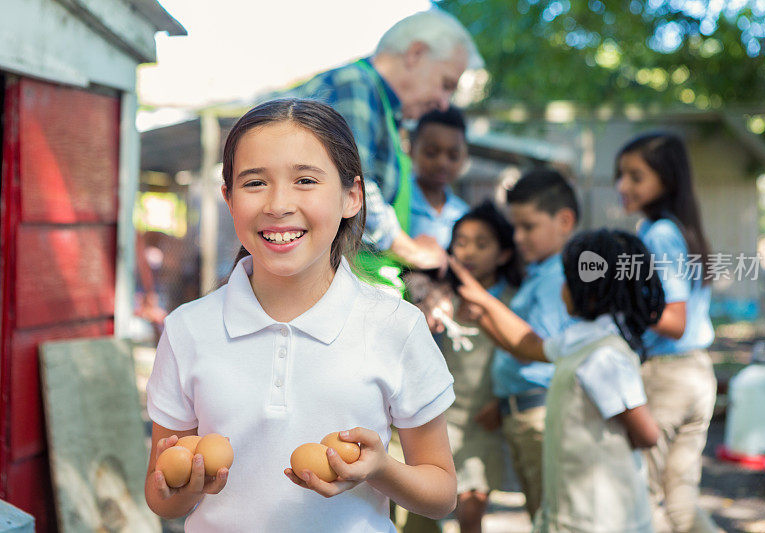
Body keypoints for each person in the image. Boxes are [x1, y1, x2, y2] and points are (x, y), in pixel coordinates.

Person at [144, 99, 457, 532]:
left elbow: (442, 494)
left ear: (352, 196)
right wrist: (188, 484)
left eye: (305, 180)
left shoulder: (395, 326)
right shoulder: (188, 329)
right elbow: (161, 497)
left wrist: (380, 469)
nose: (278, 204)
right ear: (228, 199)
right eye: (254, 183)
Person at [449, 229, 663, 532]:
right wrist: (481, 303)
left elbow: (648, 434)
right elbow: (525, 344)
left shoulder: (604, 357)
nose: (561, 286)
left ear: (587, 291)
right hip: (573, 511)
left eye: (567, 278)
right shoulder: (580, 340)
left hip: (603, 518)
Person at [285, 9, 483, 289]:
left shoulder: (385, 108)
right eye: (446, 85)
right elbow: (352, 187)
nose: (443, 103)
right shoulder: (356, 85)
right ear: (415, 53)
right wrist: (412, 251)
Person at [444, 169, 579, 521]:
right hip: (522, 415)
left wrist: (483, 302)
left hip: (540, 412)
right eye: (515, 227)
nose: (519, 237)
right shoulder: (540, 273)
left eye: (528, 227)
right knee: (541, 514)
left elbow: (537, 347)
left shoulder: (555, 277)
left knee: (551, 516)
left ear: (565, 221)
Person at [615, 132, 717, 533]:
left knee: (644, 496)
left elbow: (674, 322)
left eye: (636, 176)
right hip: (697, 375)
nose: (623, 186)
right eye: (621, 175)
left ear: (667, 180)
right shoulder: (682, 230)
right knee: (680, 498)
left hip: (667, 377)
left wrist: (617, 299)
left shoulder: (657, 235)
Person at [421, 201, 522, 533]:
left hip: (484, 419)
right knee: (433, 503)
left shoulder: (511, 301)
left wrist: (500, 402)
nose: (469, 251)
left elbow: (521, 353)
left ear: (504, 254)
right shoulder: (442, 298)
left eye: (482, 243)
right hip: (443, 417)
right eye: (461, 242)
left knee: (473, 500)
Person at [408, 106, 470, 249]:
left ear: (464, 157)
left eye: (453, 156)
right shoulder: (394, 200)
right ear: (411, 149)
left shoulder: (464, 215)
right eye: (431, 153)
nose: (442, 163)